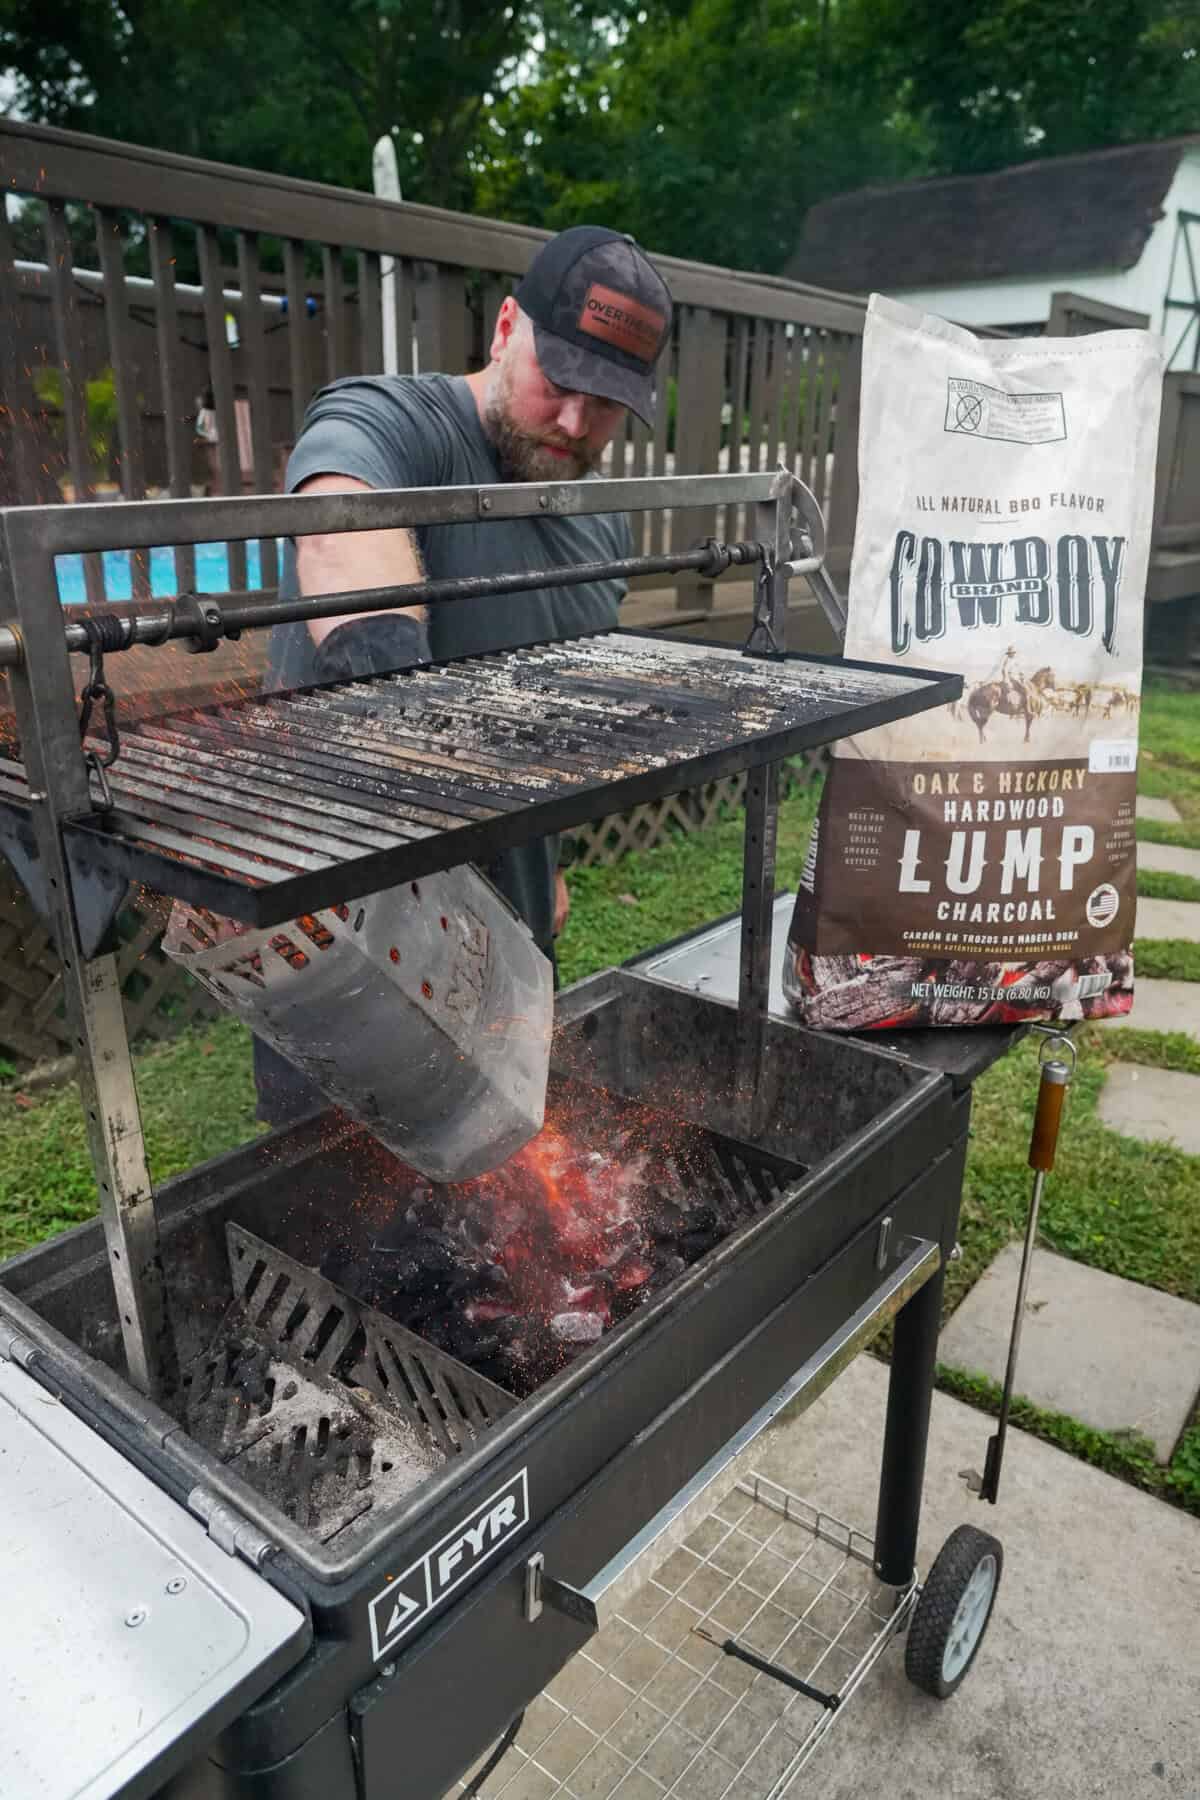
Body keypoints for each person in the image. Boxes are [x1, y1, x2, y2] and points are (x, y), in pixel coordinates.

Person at [254, 226, 674, 1126]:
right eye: (558, 383)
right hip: (344, 940)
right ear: (505, 326)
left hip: (506, 942)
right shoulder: (396, 423)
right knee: (338, 1199)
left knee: (501, 1192)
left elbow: (551, 728)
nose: (573, 424)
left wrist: (543, 862)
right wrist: (396, 716)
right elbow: (339, 530)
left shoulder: (602, 538)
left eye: (604, 405)